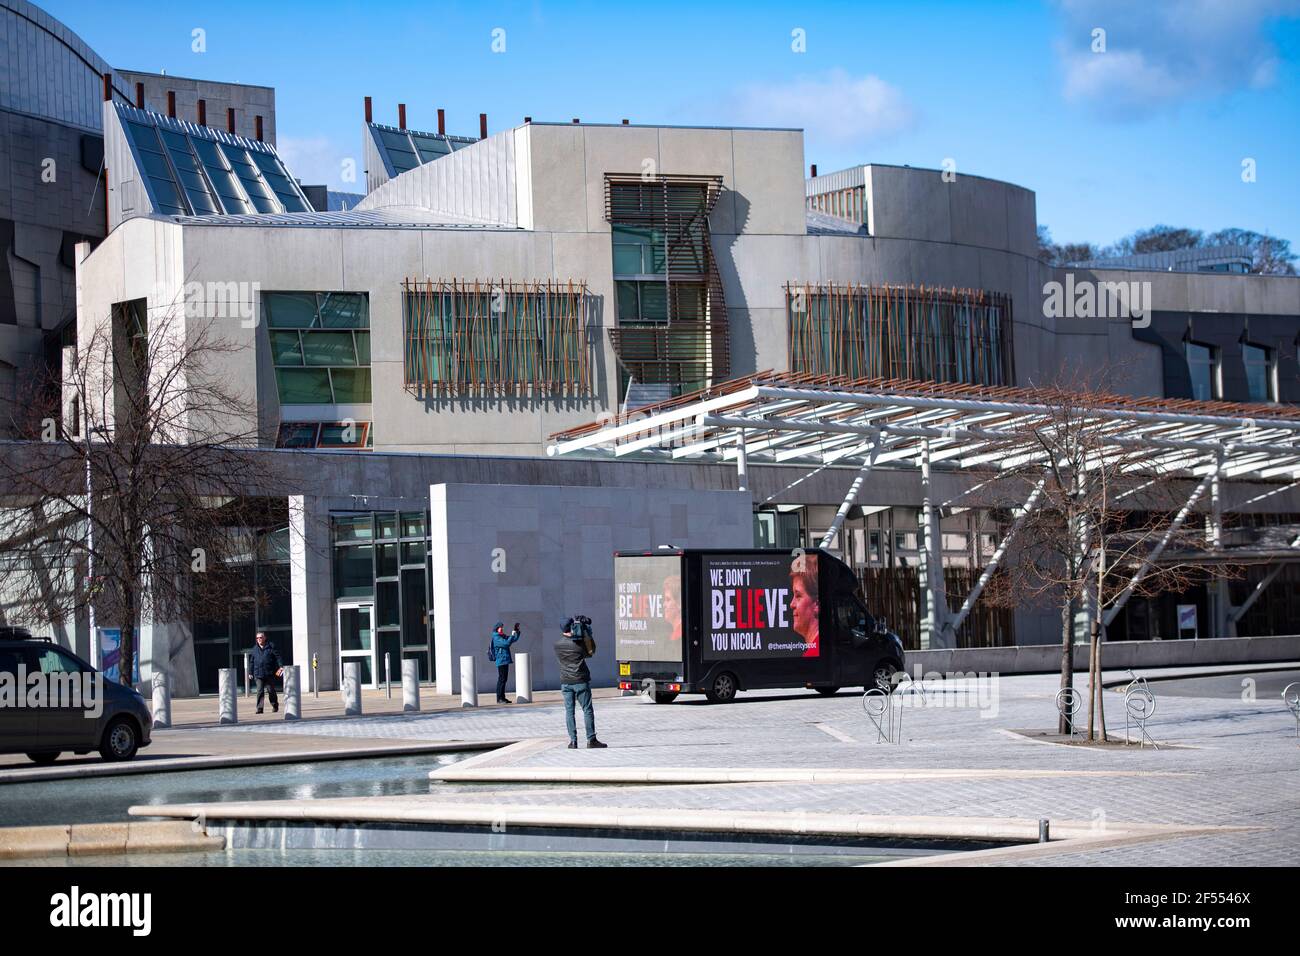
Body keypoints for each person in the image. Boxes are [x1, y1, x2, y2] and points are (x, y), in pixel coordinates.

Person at [555, 617, 607, 749]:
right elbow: (591, 651)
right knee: (587, 710)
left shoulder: (557, 645)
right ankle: (591, 739)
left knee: (569, 712)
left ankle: (573, 741)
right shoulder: (578, 645)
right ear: (571, 627)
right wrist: (587, 633)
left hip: (565, 682)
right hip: (580, 681)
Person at [789, 553, 821, 658]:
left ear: (816, 604)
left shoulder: (814, 655)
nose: (791, 604)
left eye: (798, 596)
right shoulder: (814, 650)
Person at [249, 631, 284, 714]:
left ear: (264, 638)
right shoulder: (255, 649)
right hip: (258, 674)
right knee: (259, 691)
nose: (259, 639)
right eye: (257, 638)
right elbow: (251, 662)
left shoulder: (271, 646)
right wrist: (250, 672)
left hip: (269, 673)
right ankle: (260, 708)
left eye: (260, 637)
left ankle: (275, 705)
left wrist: (281, 666)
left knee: (271, 690)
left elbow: (278, 657)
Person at [490, 621, 520, 703]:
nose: (502, 628)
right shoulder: (496, 637)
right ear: (497, 628)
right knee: (501, 679)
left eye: (502, 627)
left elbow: (513, 639)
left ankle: (502, 698)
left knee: (504, 679)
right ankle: (499, 698)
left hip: (505, 660)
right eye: (500, 627)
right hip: (501, 660)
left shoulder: (502, 636)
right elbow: (506, 644)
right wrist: (512, 635)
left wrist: (516, 631)